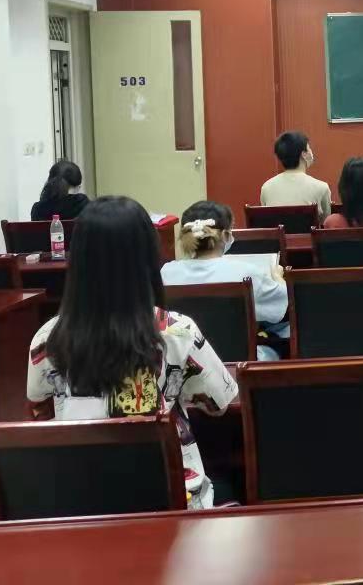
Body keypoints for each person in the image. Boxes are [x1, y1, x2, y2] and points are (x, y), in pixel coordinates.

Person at [27, 197, 237, 509]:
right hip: (169, 501)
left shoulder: (47, 338)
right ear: (149, 258)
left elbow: (39, 409)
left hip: (79, 503)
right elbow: (219, 403)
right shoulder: (177, 331)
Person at [160, 200, 288, 360]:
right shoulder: (246, 272)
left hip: (186, 364)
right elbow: (279, 308)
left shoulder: (167, 272)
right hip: (238, 363)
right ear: (226, 235)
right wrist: (278, 277)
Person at [260, 131, 332, 223]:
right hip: (308, 233)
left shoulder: (266, 188)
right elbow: (325, 224)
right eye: (309, 148)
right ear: (304, 154)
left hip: (278, 232)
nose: (311, 152)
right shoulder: (321, 187)